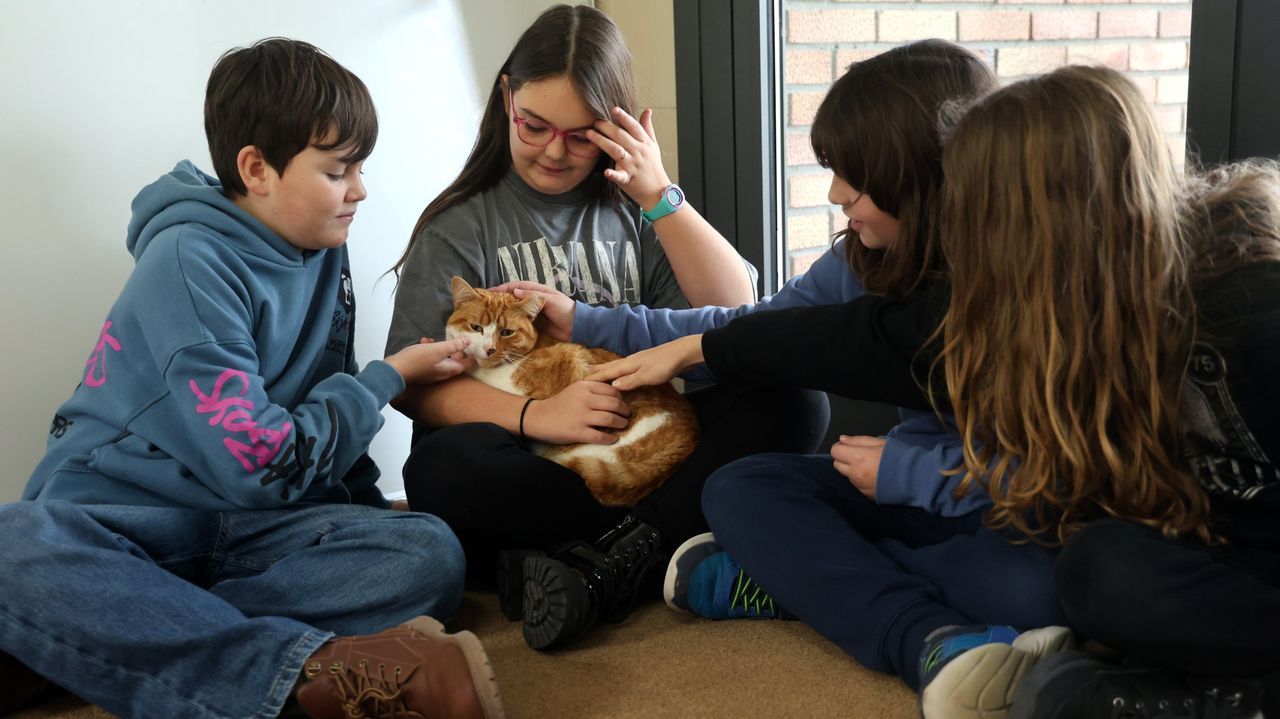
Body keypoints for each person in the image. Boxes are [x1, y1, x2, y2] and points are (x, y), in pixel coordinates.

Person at [591, 64, 1280, 718]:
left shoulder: (1248, 310)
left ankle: (813, 580)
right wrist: (689, 346)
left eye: (973, 213)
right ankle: (901, 618)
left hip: (1160, 551)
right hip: (1067, 519)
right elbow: (814, 335)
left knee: (1080, 582)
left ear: (1046, 224)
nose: (960, 234)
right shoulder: (1021, 301)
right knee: (747, 485)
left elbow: (1071, 494)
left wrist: (913, 475)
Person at [0, 39, 504, 719]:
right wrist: (384, 379)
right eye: (339, 169)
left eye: (360, 167)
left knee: (428, 554)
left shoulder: (324, 244)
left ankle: (90, 635)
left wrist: (355, 514)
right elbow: (260, 464)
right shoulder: (186, 260)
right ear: (256, 168)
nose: (360, 189)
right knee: (11, 543)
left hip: (251, 529)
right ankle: (295, 676)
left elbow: (316, 393)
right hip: (129, 521)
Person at [385, 4, 827, 650]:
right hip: (537, 454)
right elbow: (411, 385)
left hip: (641, 443)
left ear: (619, 127)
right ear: (506, 98)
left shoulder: (633, 214)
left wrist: (660, 196)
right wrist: (542, 414)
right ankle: (654, 544)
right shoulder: (461, 225)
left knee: (795, 397)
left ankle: (596, 560)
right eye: (534, 125)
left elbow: (737, 311)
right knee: (438, 471)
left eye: (581, 134)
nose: (554, 150)